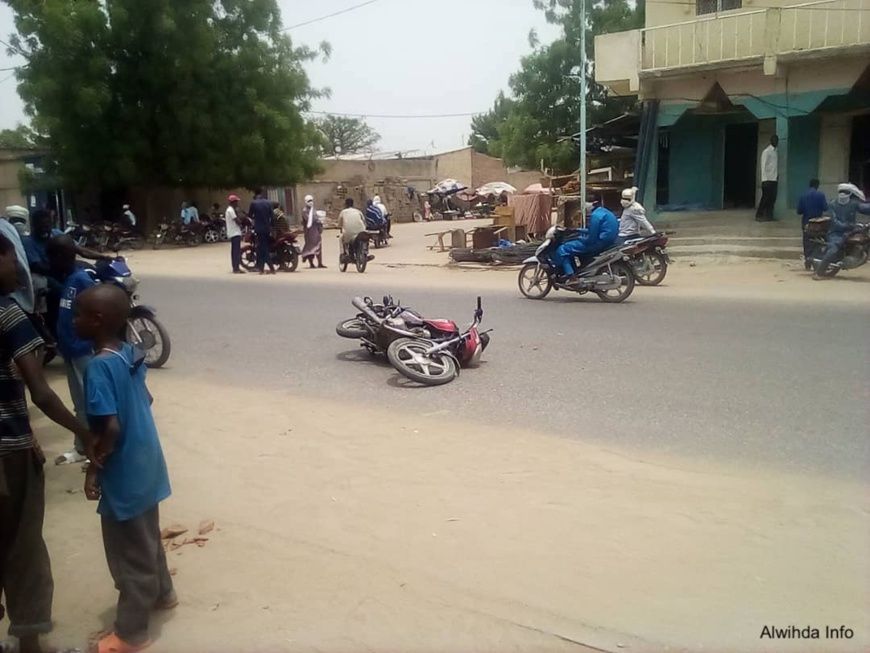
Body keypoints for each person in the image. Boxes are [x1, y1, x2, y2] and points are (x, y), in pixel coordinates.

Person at [0, 232, 94, 653]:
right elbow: (40, 391)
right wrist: (85, 433)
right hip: (8, 455)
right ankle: (31, 642)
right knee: (23, 548)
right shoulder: (8, 314)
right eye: (9, 258)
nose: (18, 267)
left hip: (15, 442)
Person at [75, 284, 175, 653]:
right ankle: (163, 593)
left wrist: (92, 470)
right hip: (148, 462)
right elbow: (145, 399)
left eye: (79, 314)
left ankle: (131, 634)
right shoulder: (129, 353)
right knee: (147, 536)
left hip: (124, 473)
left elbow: (110, 429)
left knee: (129, 555)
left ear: (97, 320)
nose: (74, 320)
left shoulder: (98, 366)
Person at [46, 235, 96, 465]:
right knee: (79, 403)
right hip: (69, 351)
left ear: (61, 257)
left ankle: (97, 448)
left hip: (83, 351)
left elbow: (95, 314)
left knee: (92, 403)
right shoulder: (68, 280)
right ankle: (81, 448)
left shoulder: (82, 280)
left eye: (51, 257)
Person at [814, 183, 870, 280]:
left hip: (851, 232)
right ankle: (819, 272)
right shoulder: (832, 204)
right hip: (835, 233)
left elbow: (865, 208)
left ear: (850, 193)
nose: (843, 194)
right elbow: (835, 222)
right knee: (834, 248)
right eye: (841, 192)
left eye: (845, 192)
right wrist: (850, 225)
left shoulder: (853, 204)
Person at [552, 201, 619, 278]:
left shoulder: (595, 216)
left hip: (598, 243)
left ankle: (570, 276)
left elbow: (591, 238)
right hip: (607, 241)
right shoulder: (603, 212)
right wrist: (577, 230)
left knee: (563, 249)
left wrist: (580, 238)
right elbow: (593, 230)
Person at [1, 206, 35, 315]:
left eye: (21, 221)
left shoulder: (6, 227)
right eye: (15, 220)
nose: (18, 224)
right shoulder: (4, 228)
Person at [796, 178, 828, 269]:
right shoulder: (821, 195)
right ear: (817, 185)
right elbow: (825, 208)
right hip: (818, 223)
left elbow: (799, 211)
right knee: (818, 241)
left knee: (807, 242)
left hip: (807, 222)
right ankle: (817, 261)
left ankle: (808, 263)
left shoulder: (803, 195)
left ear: (809, 185)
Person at [248, 189, 276, 274]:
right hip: (267, 229)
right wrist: (272, 228)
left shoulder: (253, 203)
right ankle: (261, 268)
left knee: (263, 248)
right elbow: (272, 217)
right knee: (262, 247)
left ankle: (270, 268)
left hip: (258, 229)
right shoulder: (269, 203)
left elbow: (250, 215)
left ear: (255, 195)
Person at [756, 134, 779, 222]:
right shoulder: (766, 151)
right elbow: (763, 165)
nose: (776, 142)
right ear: (771, 141)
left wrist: (776, 176)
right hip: (767, 180)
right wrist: (765, 179)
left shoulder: (775, 152)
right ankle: (759, 214)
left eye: (777, 140)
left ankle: (769, 216)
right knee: (765, 198)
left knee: (772, 199)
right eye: (774, 140)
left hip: (774, 179)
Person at [300, 195, 325, 269]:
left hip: (316, 231)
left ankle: (320, 263)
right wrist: (318, 219)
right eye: (309, 201)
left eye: (311, 200)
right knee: (310, 248)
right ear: (306, 202)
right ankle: (311, 263)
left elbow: (316, 217)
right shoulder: (305, 211)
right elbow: (309, 220)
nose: (310, 202)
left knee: (319, 246)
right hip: (309, 232)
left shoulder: (313, 209)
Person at [225, 194, 245, 274]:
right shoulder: (230, 210)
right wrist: (242, 222)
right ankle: (236, 268)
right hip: (235, 233)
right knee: (236, 251)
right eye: (236, 202)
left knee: (234, 251)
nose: (237, 203)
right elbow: (237, 221)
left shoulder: (230, 210)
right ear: (233, 202)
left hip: (234, 232)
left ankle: (235, 267)